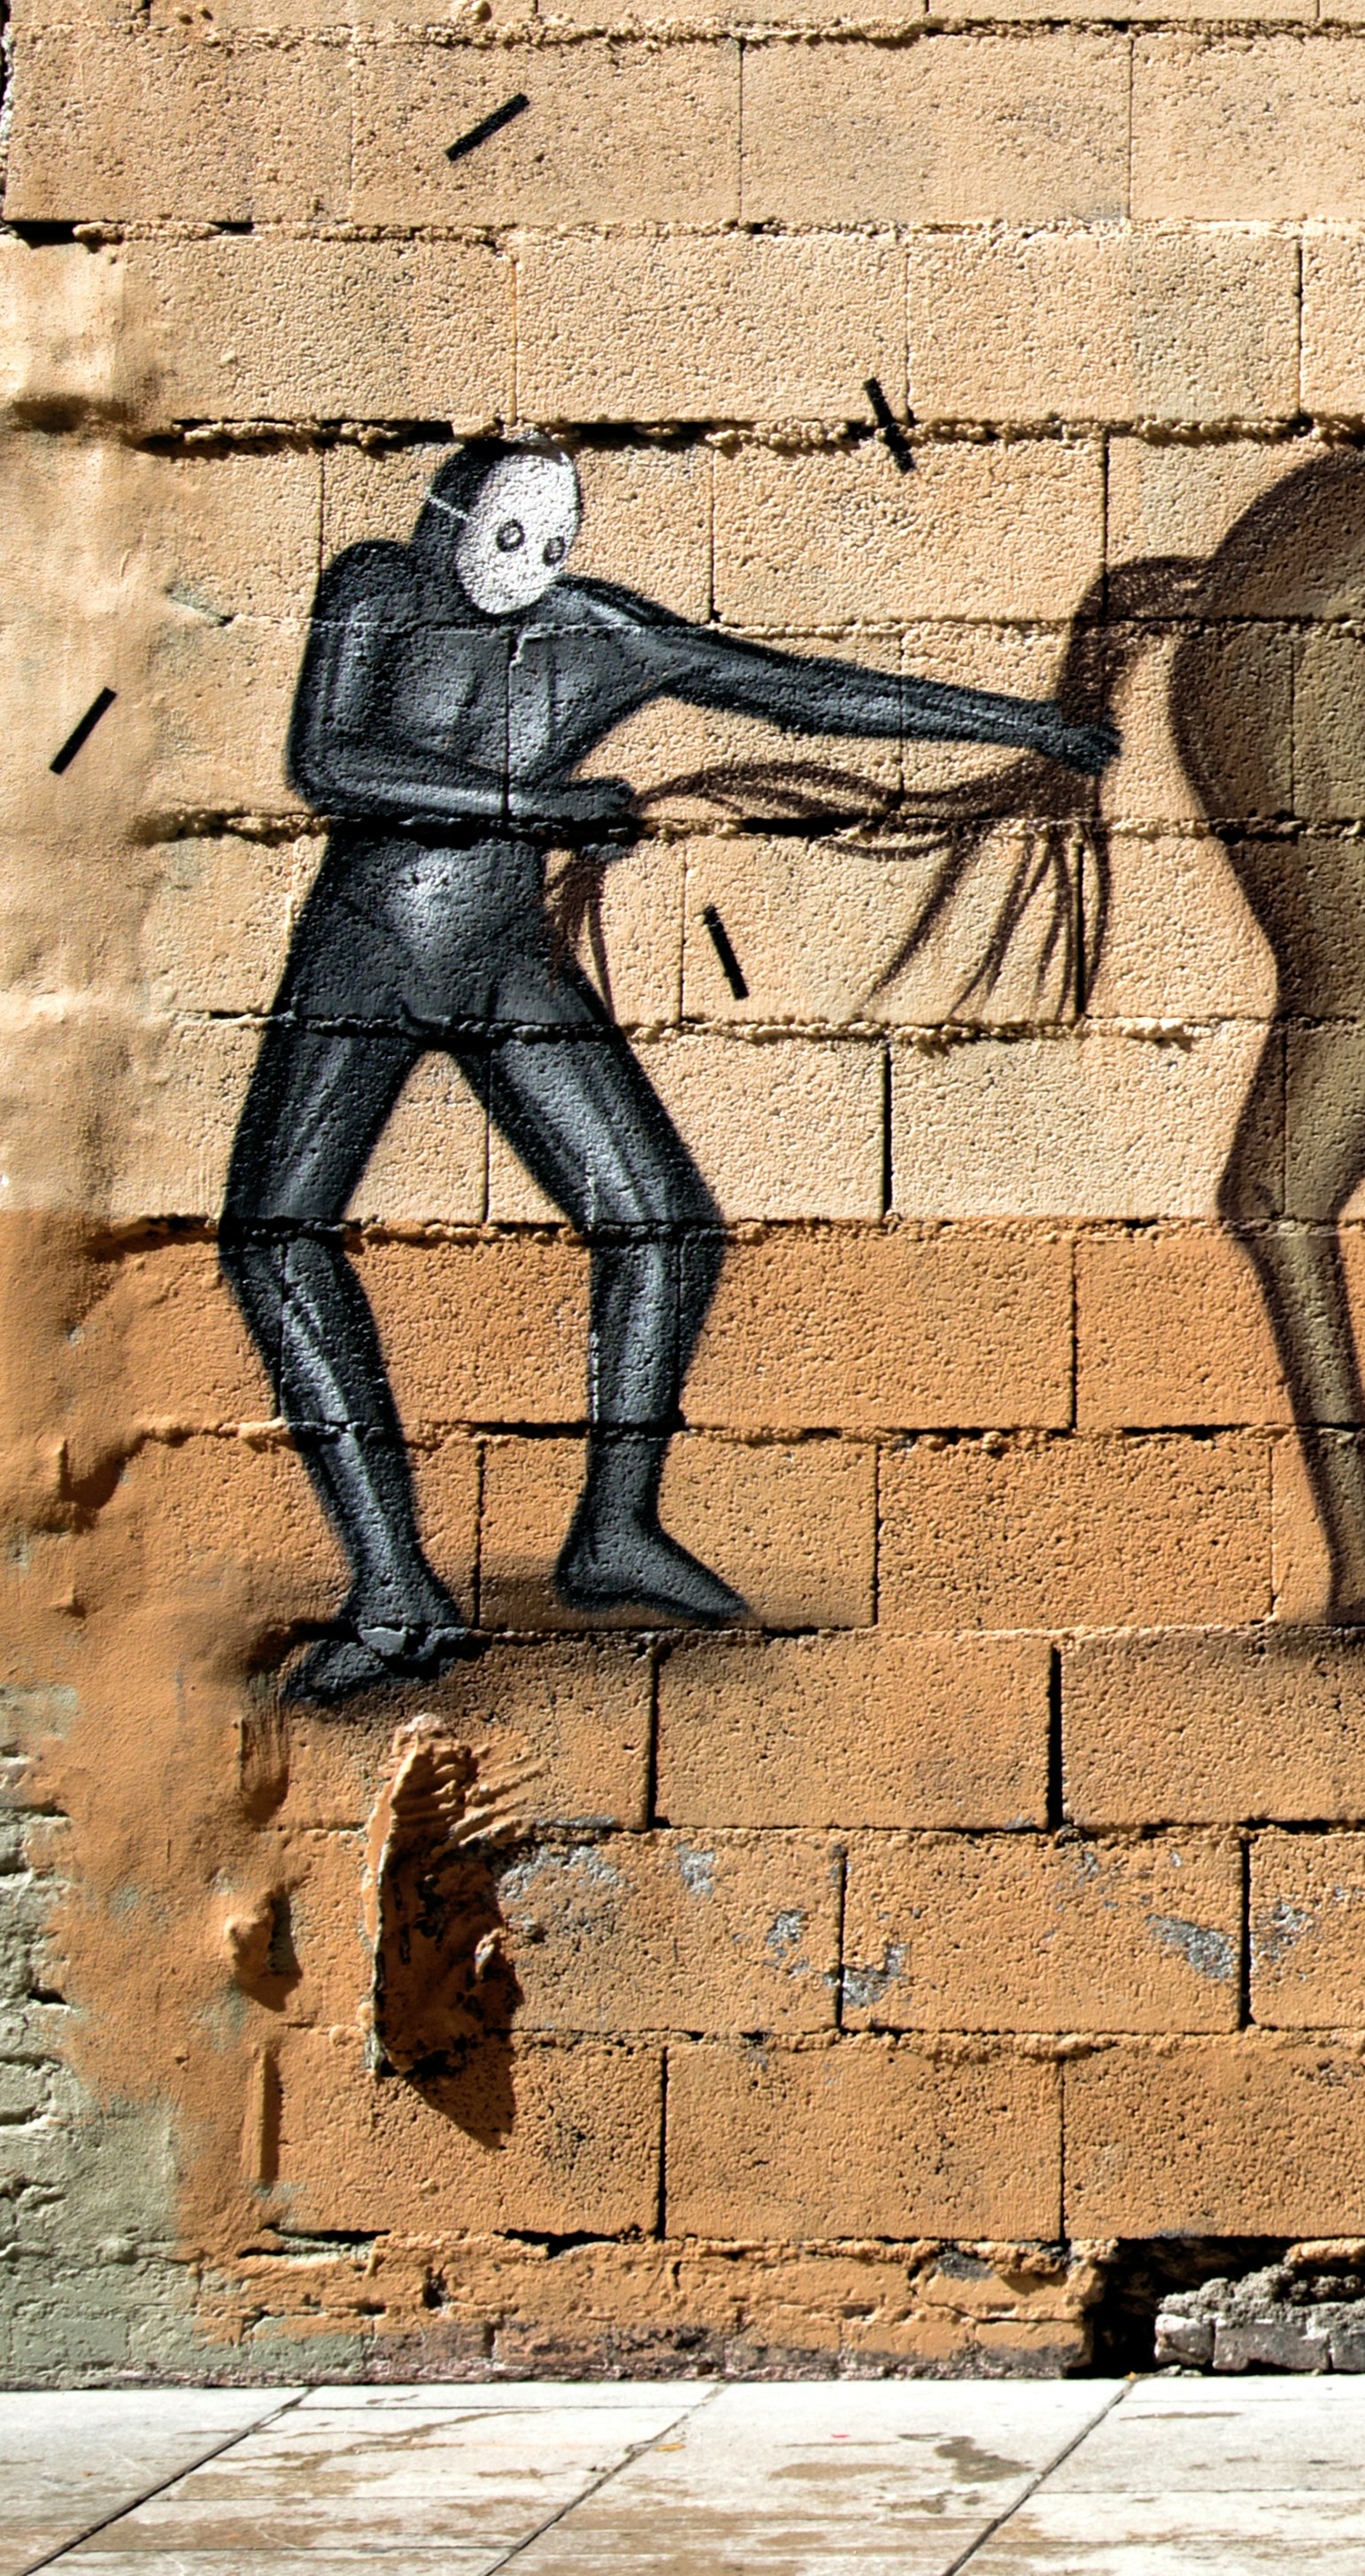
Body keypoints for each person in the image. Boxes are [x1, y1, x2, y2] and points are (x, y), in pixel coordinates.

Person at [224, 441, 1118, 1703]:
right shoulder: (377, 585)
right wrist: (537, 806)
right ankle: (391, 1587)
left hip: (501, 960)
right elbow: (331, 762)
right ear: (443, 518)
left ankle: (614, 1527)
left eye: (548, 543)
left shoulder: (598, 633)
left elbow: (802, 691)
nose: (521, 568)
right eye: (499, 533)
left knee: (665, 1227)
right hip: (363, 956)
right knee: (272, 1231)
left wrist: (1025, 725)